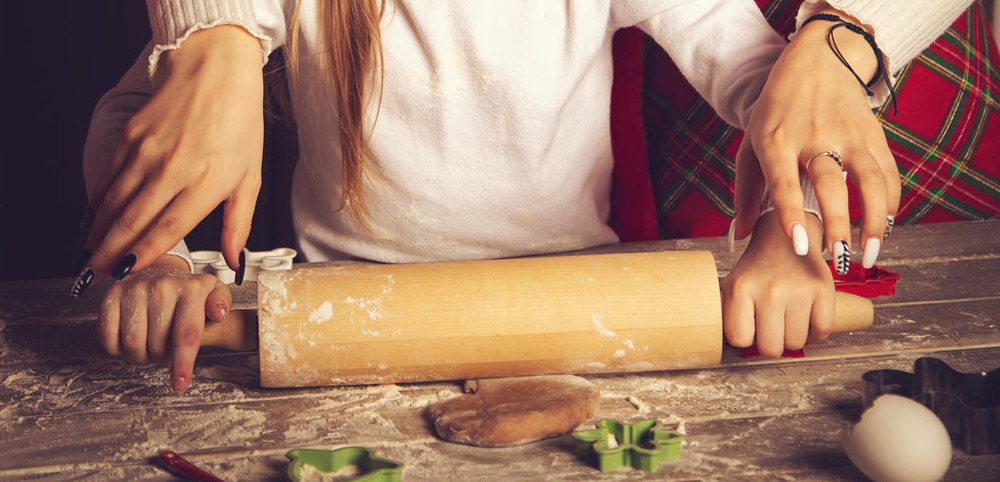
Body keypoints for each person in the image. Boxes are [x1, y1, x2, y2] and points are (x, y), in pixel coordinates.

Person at [76, 0, 971, 392]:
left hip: (583, 325)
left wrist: (790, 234)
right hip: (334, 322)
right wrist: (158, 257)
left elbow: (771, 87)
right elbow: (141, 106)